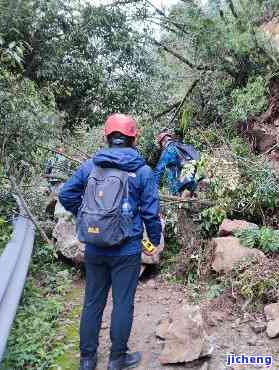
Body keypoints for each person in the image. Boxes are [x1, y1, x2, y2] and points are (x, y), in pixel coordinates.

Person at [59, 114, 162, 370]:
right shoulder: (142, 171)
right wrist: (155, 240)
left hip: (94, 246)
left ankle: (87, 360)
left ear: (107, 137)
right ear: (132, 138)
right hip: (126, 248)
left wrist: (84, 215)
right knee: (123, 302)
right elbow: (150, 213)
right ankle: (117, 360)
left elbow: (65, 194)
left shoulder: (89, 167)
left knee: (93, 301)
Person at [154, 131, 201, 196]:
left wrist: (153, 188)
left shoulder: (169, 150)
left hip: (181, 185)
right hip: (194, 179)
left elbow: (158, 171)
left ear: (163, 142)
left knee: (179, 203)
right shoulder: (181, 145)